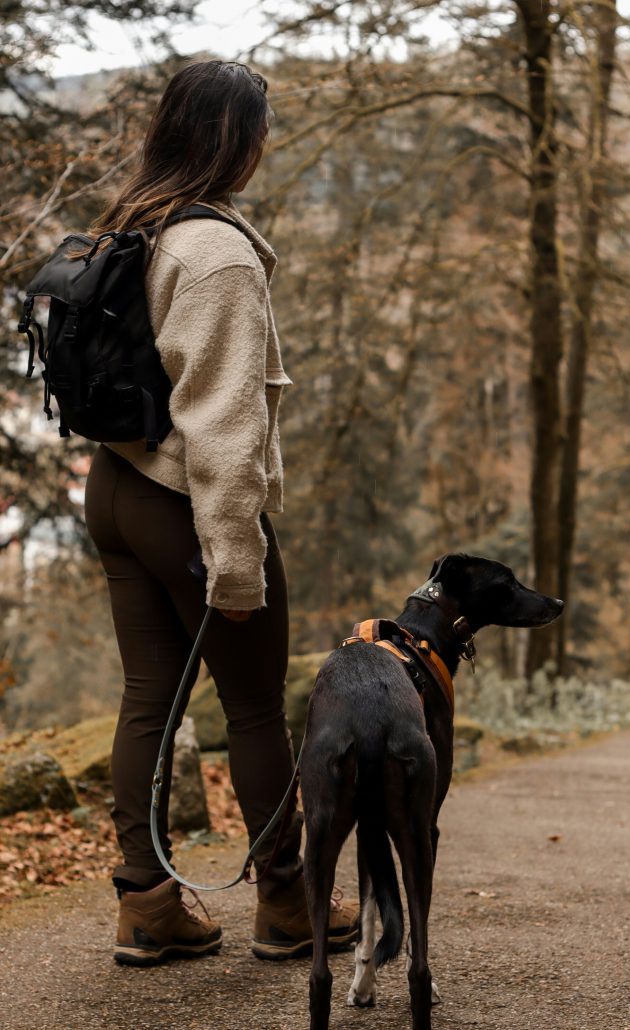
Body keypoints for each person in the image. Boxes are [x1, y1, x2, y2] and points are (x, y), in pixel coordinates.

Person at [83, 59, 358, 966]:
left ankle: (147, 906)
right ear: (236, 139)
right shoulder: (218, 254)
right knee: (253, 712)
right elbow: (225, 427)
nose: (267, 142)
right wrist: (235, 564)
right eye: (262, 127)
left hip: (114, 489)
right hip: (180, 501)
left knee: (144, 703)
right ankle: (285, 904)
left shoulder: (133, 219)